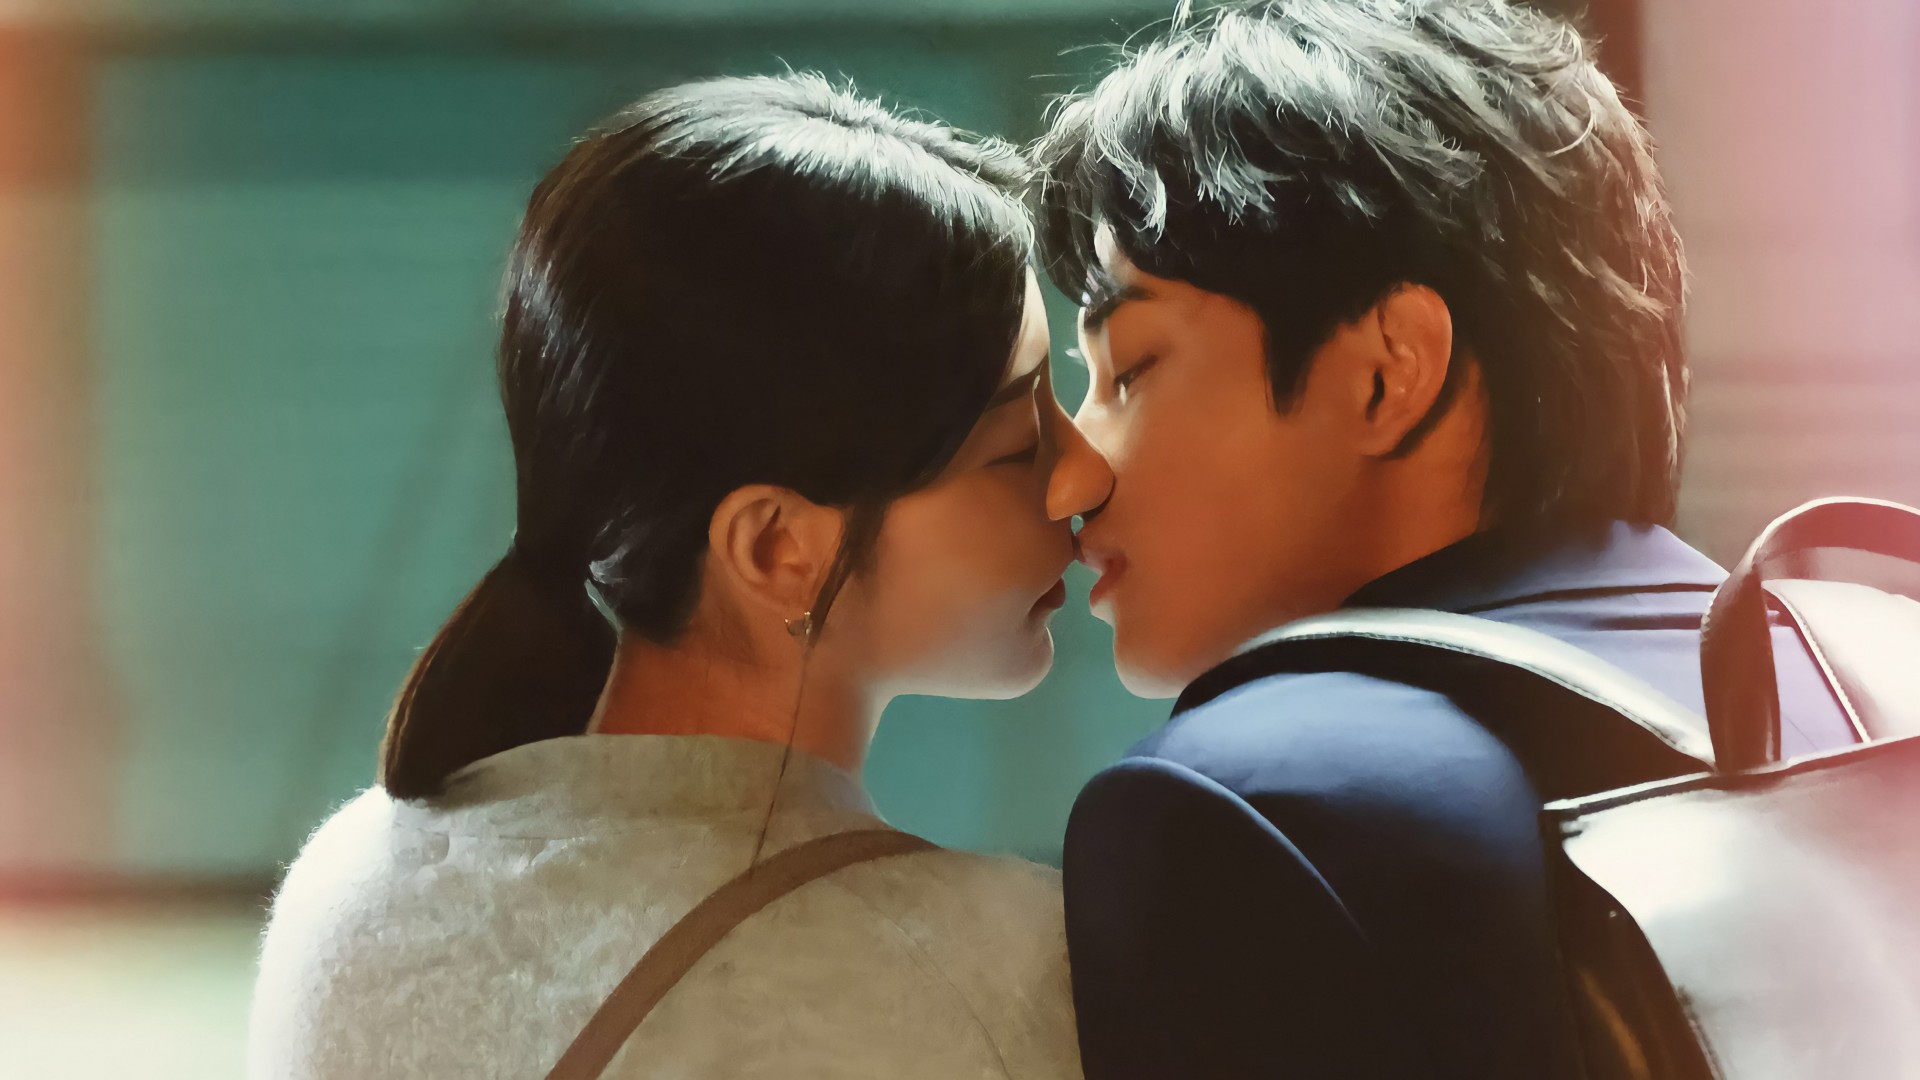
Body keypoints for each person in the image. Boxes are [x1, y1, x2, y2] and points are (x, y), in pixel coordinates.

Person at [1031, 2, 1860, 1077]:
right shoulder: (1852, 667)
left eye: (1131, 368)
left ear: (1388, 372)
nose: (1071, 473)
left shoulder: (1246, 808)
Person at [248, 73, 1109, 1079]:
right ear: (776, 547)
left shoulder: (349, 887)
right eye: (1017, 445)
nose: (1084, 472)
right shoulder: (988, 975)